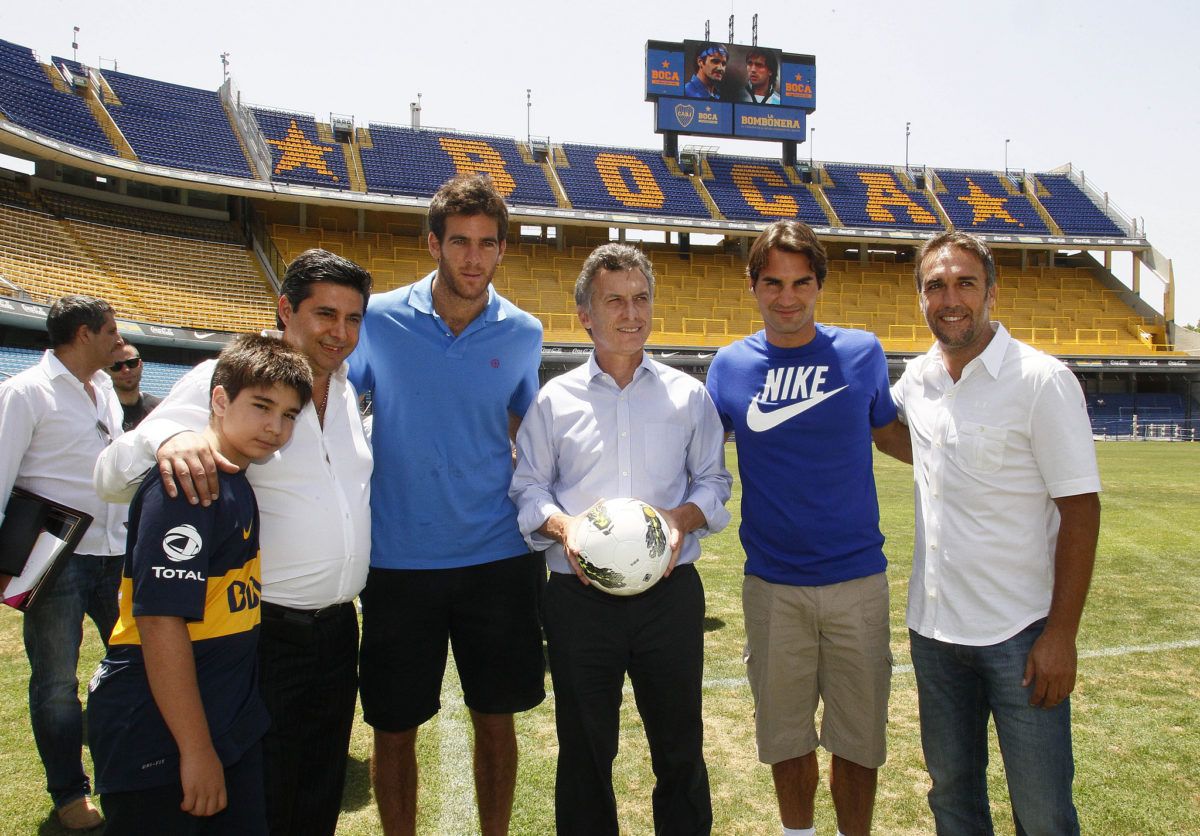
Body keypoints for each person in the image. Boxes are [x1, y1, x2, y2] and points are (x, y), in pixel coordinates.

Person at [94, 249, 373, 836]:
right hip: (261, 631)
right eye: (325, 314)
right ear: (285, 310)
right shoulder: (229, 375)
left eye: (353, 318)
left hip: (335, 630)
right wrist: (168, 437)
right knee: (262, 795)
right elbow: (111, 476)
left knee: (318, 789)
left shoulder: (348, 391)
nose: (340, 332)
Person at [510, 243, 731, 835]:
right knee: (585, 752)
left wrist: (681, 518)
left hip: (669, 597)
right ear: (586, 315)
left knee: (680, 747)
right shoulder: (554, 400)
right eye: (615, 301)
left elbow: (714, 481)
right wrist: (565, 528)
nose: (631, 314)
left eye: (641, 299)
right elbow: (528, 489)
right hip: (579, 599)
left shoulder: (688, 396)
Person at [350, 173, 544, 836]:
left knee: (497, 720)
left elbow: (524, 424)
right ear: (433, 244)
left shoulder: (523, 331)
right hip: (398, 558)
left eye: (487, 243)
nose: (473, 257)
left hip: (498, 556)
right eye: (459, 241)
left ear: (502, 250)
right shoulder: (378, 319)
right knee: (393, 727)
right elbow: (331, 399)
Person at [891, 231, 1101, 835]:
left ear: (991, 292)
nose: (950, 299)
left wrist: (1061, 635)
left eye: (965, 283)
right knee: (953, 802)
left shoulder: (1040, 380)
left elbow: (1081, 511)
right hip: (935, 633)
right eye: (935, 286)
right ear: (921, 297)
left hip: (1021, 635)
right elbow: (894, 434)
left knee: (1042, 812)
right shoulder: (918, 377)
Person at [704, 220, 909, 836]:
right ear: (752, 286)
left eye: (800, 283)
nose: (787, 297)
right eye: (773, 283)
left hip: (857, 582)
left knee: (859, 740)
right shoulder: (729, 366)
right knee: (786, 740)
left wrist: (974, 467)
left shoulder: (862, 353)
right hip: (773, 586)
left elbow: (890, 434)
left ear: (820, 284)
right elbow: (696, 455)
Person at [88, 334, 313, 835]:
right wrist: (195, 749)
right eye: (261, 406)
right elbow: (160, 622)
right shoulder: (188, 486)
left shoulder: (235, 480)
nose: (275, 427)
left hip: (222, 721)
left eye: (289, 415)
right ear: (219, 400)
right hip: (158, 733)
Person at [0, 294, 127, 830]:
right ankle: (70, 794)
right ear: (83, 334)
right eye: (111, 331)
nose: (119, 341)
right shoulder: (25, 392)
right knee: (55, 683)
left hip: (115, 551)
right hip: (56, 558)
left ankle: (130, 769)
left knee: (136, 666)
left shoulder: (105, 390)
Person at [106, 343, 162, 431]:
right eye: (117, 366)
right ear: (106, 371)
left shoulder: (159, 408)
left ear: (141, 365)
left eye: (132, 363)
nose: (126, 370)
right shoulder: (102, 412)